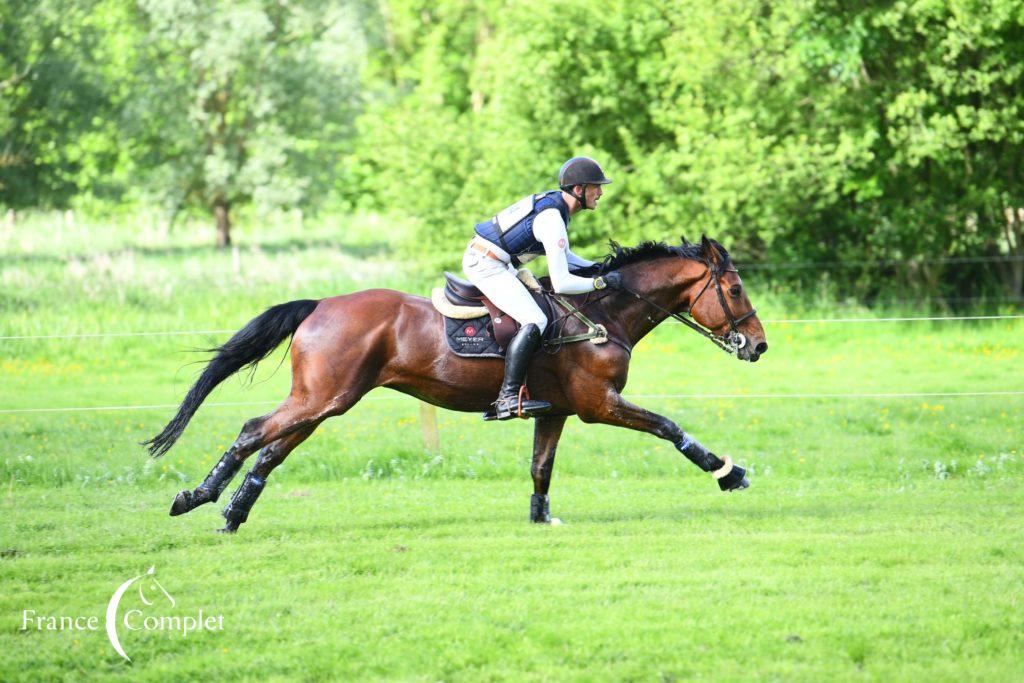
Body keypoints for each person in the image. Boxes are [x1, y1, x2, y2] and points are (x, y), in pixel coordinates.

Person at [464, 156, 622, 421]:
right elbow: (561, 282)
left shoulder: (556, 208)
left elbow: (567, 257)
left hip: (496, 261)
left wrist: (598, 268)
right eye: (597, 186)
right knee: (536, 318)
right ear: (579, 190)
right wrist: (600, 283)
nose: (601, 192)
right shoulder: (552, 218)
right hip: (486, 264)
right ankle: (506, 398)